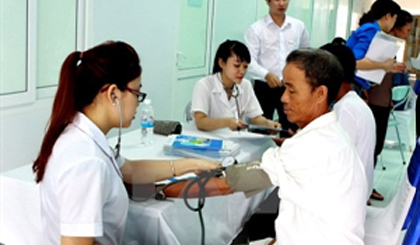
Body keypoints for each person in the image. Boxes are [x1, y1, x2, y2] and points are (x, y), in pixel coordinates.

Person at [165, 49, 368, 244]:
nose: (283, 98)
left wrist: (157, 189)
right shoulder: (333, 133)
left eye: (292, 90)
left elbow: (227, 184)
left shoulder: (308, 147)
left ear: (320, 94)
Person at [32, 41, 219, 245]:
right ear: (113, 94)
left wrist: (192, 164)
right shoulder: (86, 161)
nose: (138, 103)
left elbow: (129, 169)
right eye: (137, 94)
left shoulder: (81, 134)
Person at [366, 9, 413, 201]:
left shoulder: (391, 47)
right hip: (373, 102)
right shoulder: (380, 44)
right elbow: (368, 73)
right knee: (369, 148)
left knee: (376, 148)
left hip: (384, 102)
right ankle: (364, 189)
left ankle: (369, 186)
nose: (408, 34)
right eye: (407, 29)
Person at [320, 43, 376, 204]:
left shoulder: (346, 110)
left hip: (346, 199)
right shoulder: (351, 103)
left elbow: (335, 165)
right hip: (353, 193)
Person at [244, 0, 310, 134]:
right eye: (277, 0)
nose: (281, 3)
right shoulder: (256, 29)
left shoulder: (298, 26)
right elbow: (249, 61)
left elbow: (306, 54)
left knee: (291, 128)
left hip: (291, 87)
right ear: (268, 1)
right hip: (264, 86)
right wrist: (266, 75)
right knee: (260, 129)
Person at [191, 40, 280, 131]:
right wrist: (227, 122)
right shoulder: (204, 85)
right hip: (211, 139)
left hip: (236, 139)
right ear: (222, 63)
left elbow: (256, 117)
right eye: (237, 66)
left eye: (245, 67)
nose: (242, 71)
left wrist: (267, 123)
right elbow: (200, 122)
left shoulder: (245, 85)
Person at [346, 0, 403, 95]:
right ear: (388, 16)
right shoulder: (371, 29)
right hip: (351, 83)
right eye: (395, 19)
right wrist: (384, 66)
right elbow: (355, 63)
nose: (394, 23)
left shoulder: (373, 30)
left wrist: (389, 67)